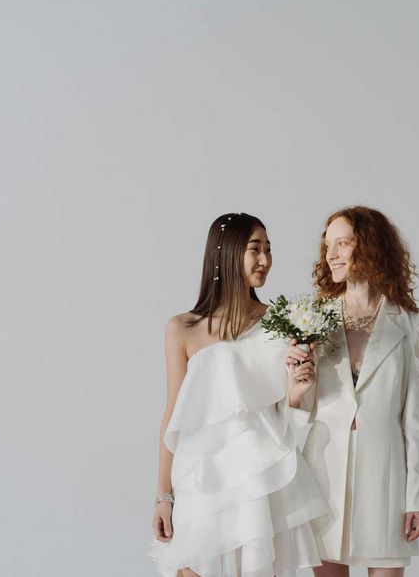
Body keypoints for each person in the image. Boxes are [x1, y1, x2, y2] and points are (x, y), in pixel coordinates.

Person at [150, 212, 325, 577]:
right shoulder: (183, 329)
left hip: (258, 477)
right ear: (227, 254)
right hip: (202, 477)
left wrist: (295, 393)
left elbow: (285, 407)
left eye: (269, 249)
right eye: (254, 249)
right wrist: (164, 496)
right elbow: (173, 413)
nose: (265, 260)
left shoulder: (281, 323)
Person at [286, 206, 419, 576]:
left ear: (369, 247)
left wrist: (418, 497)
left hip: (385, 479)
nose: (331, 255)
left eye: (343, 243)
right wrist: (297, 384)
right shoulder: (314, 321)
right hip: (324, 473)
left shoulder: (410, 324)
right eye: (328, 245)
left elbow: (414, 422)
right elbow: (301, 409)